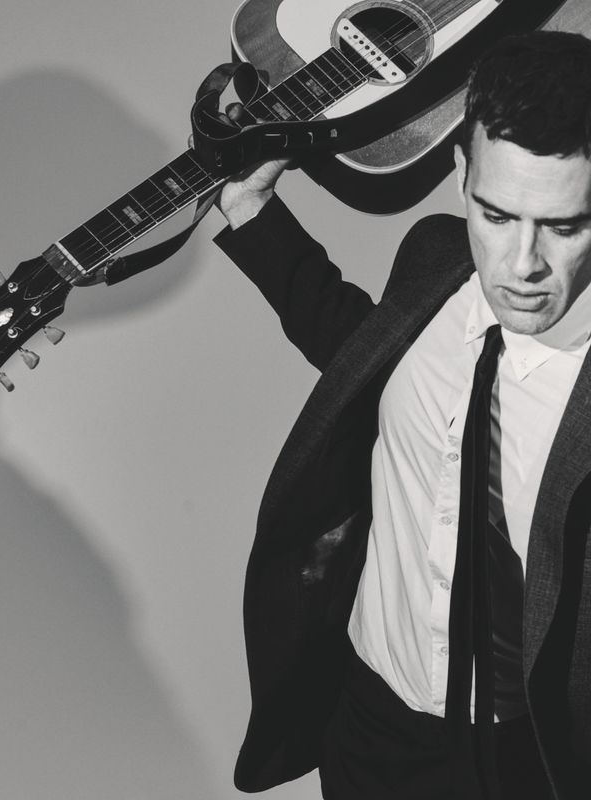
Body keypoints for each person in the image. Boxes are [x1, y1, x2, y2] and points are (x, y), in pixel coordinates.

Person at [213, 30, 591, 800]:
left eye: (564, 226)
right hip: (369, 729)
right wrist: (249, 206)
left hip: (530, 760)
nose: (523, 265)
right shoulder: (433, 260)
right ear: (460, 176)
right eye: (497, 215)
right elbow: (357, 348)